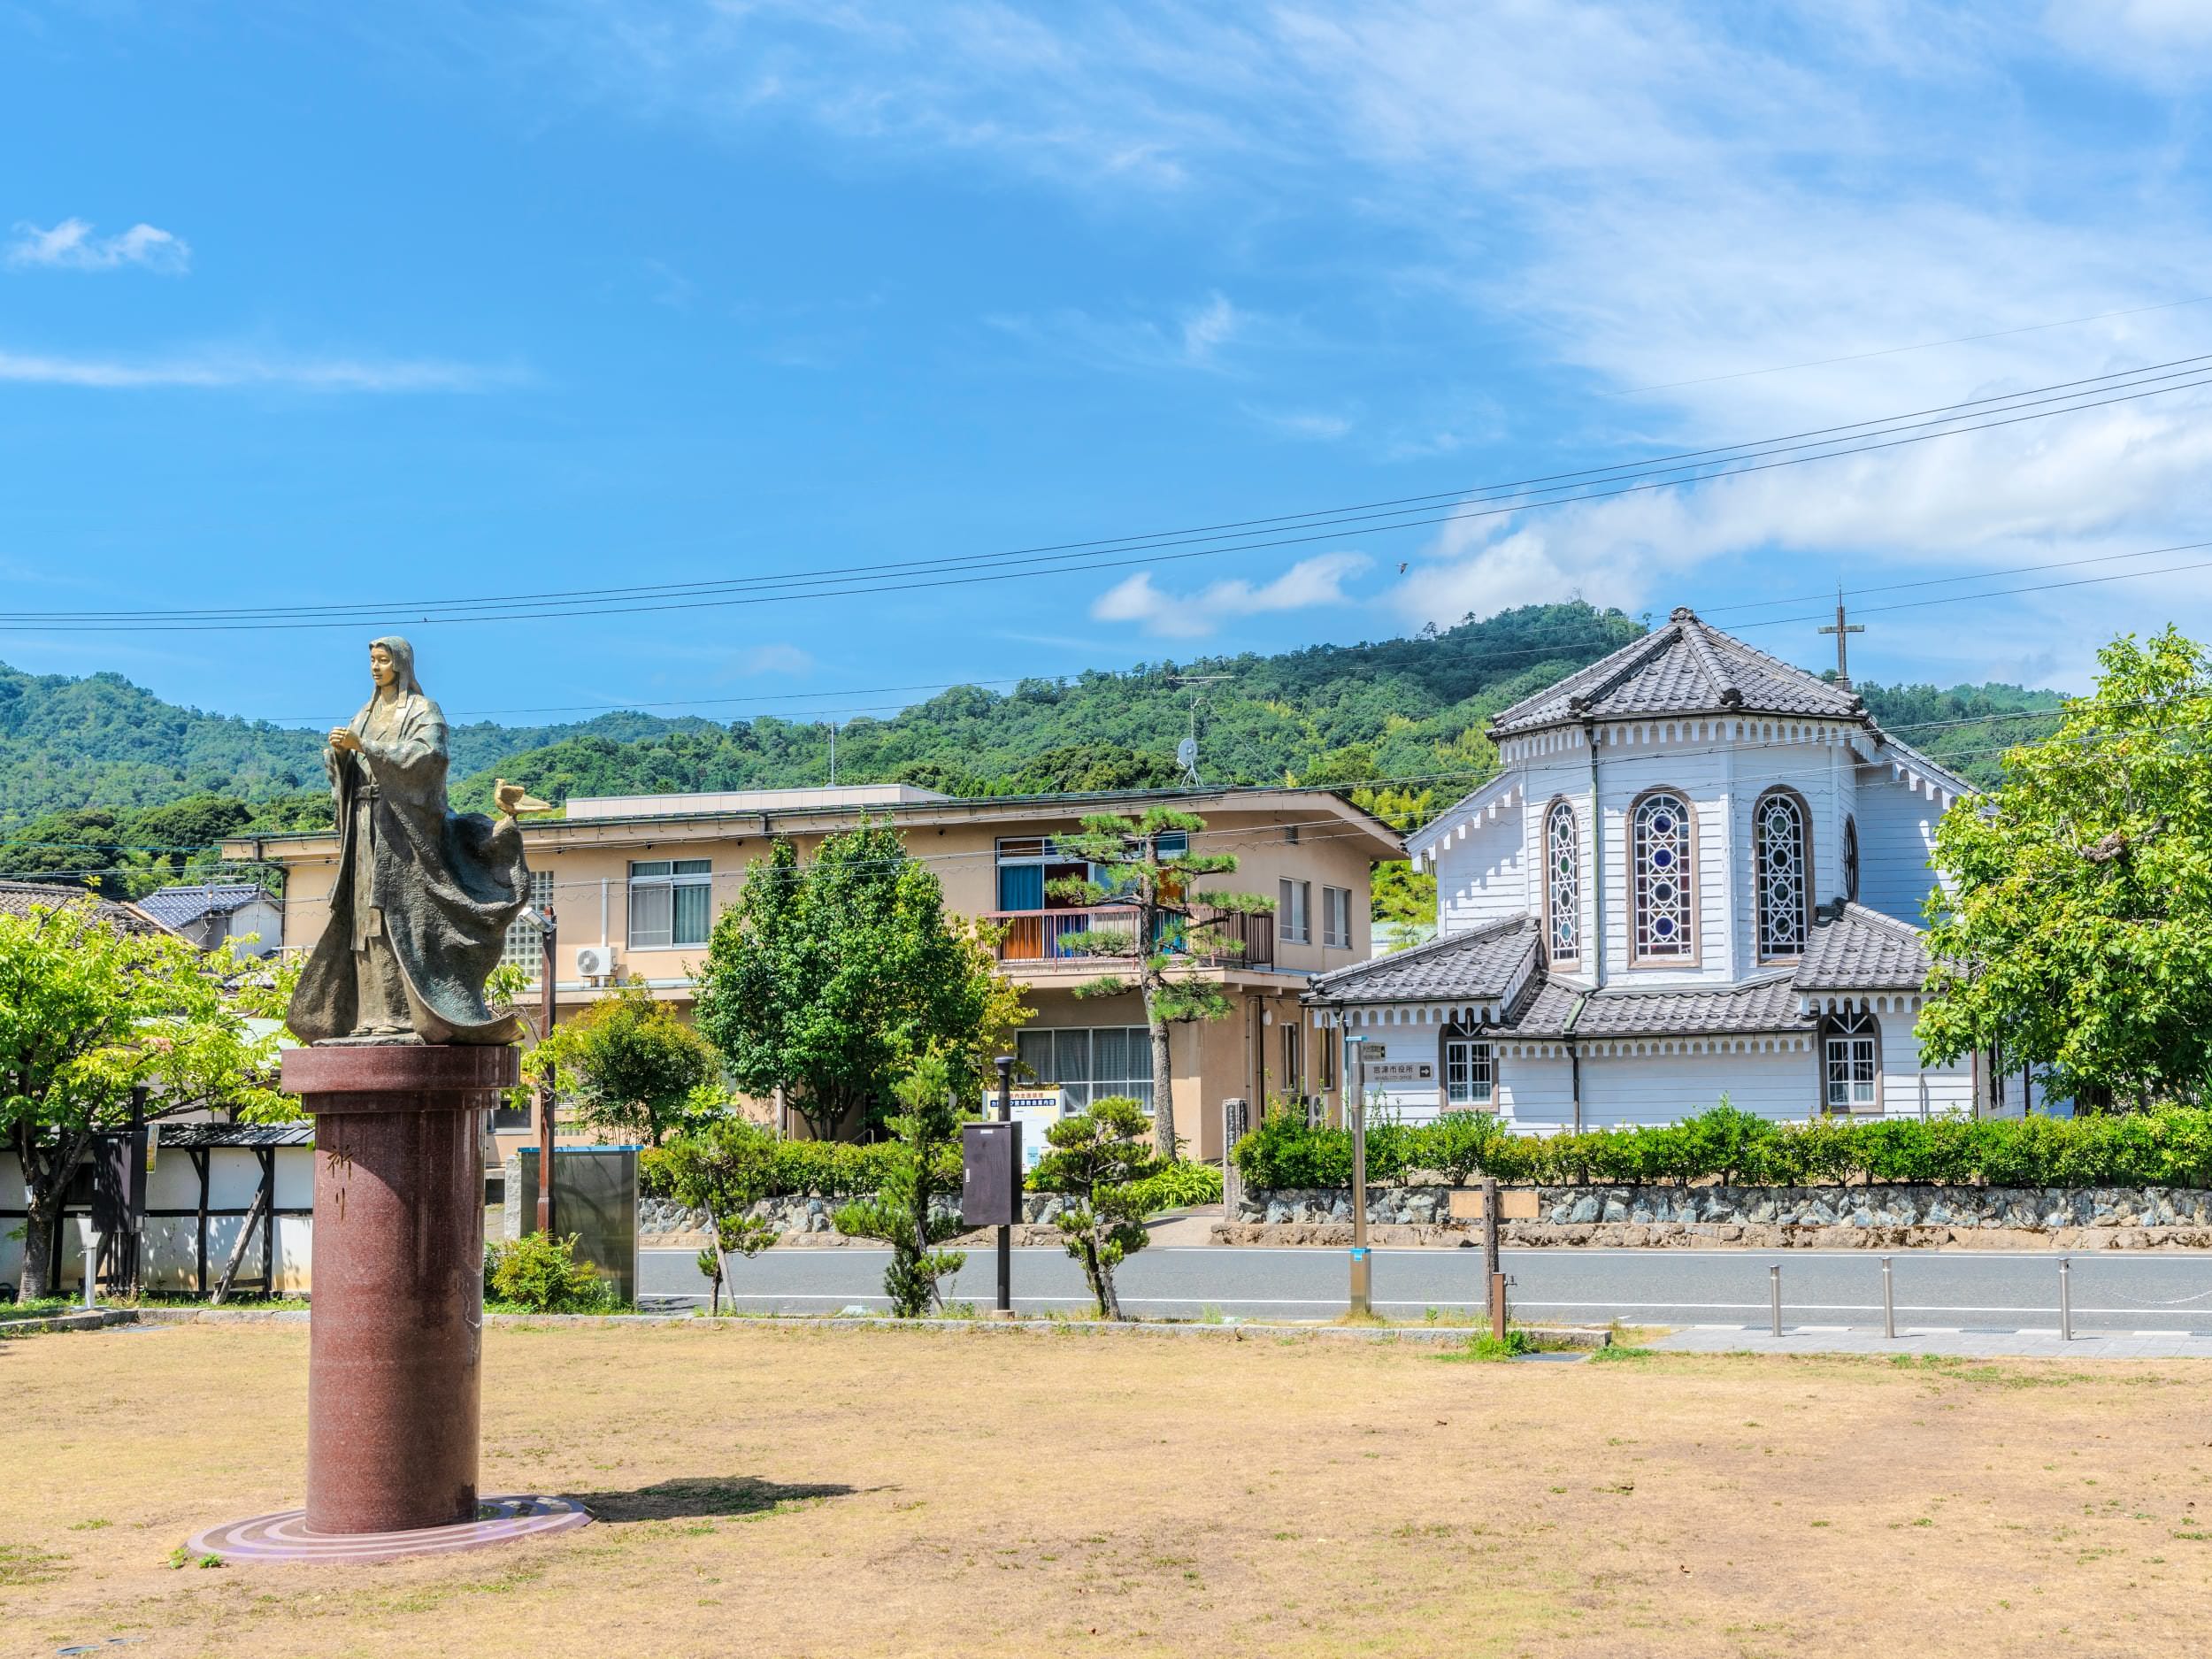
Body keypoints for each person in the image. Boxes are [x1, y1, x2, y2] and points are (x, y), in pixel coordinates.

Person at [287, 635, 534, 1044]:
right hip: (364, 824)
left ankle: (401, 1015)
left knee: (397, 914)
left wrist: (363, 745)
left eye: (383, 660)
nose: (376, 667)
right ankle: (368, 1015)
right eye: (372, 660)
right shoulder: (363, 713)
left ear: (401, 664)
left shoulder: (423, 710)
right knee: (363, 919)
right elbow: (348, 770)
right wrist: (342, 756)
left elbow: (429, 758)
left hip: (402, 829)